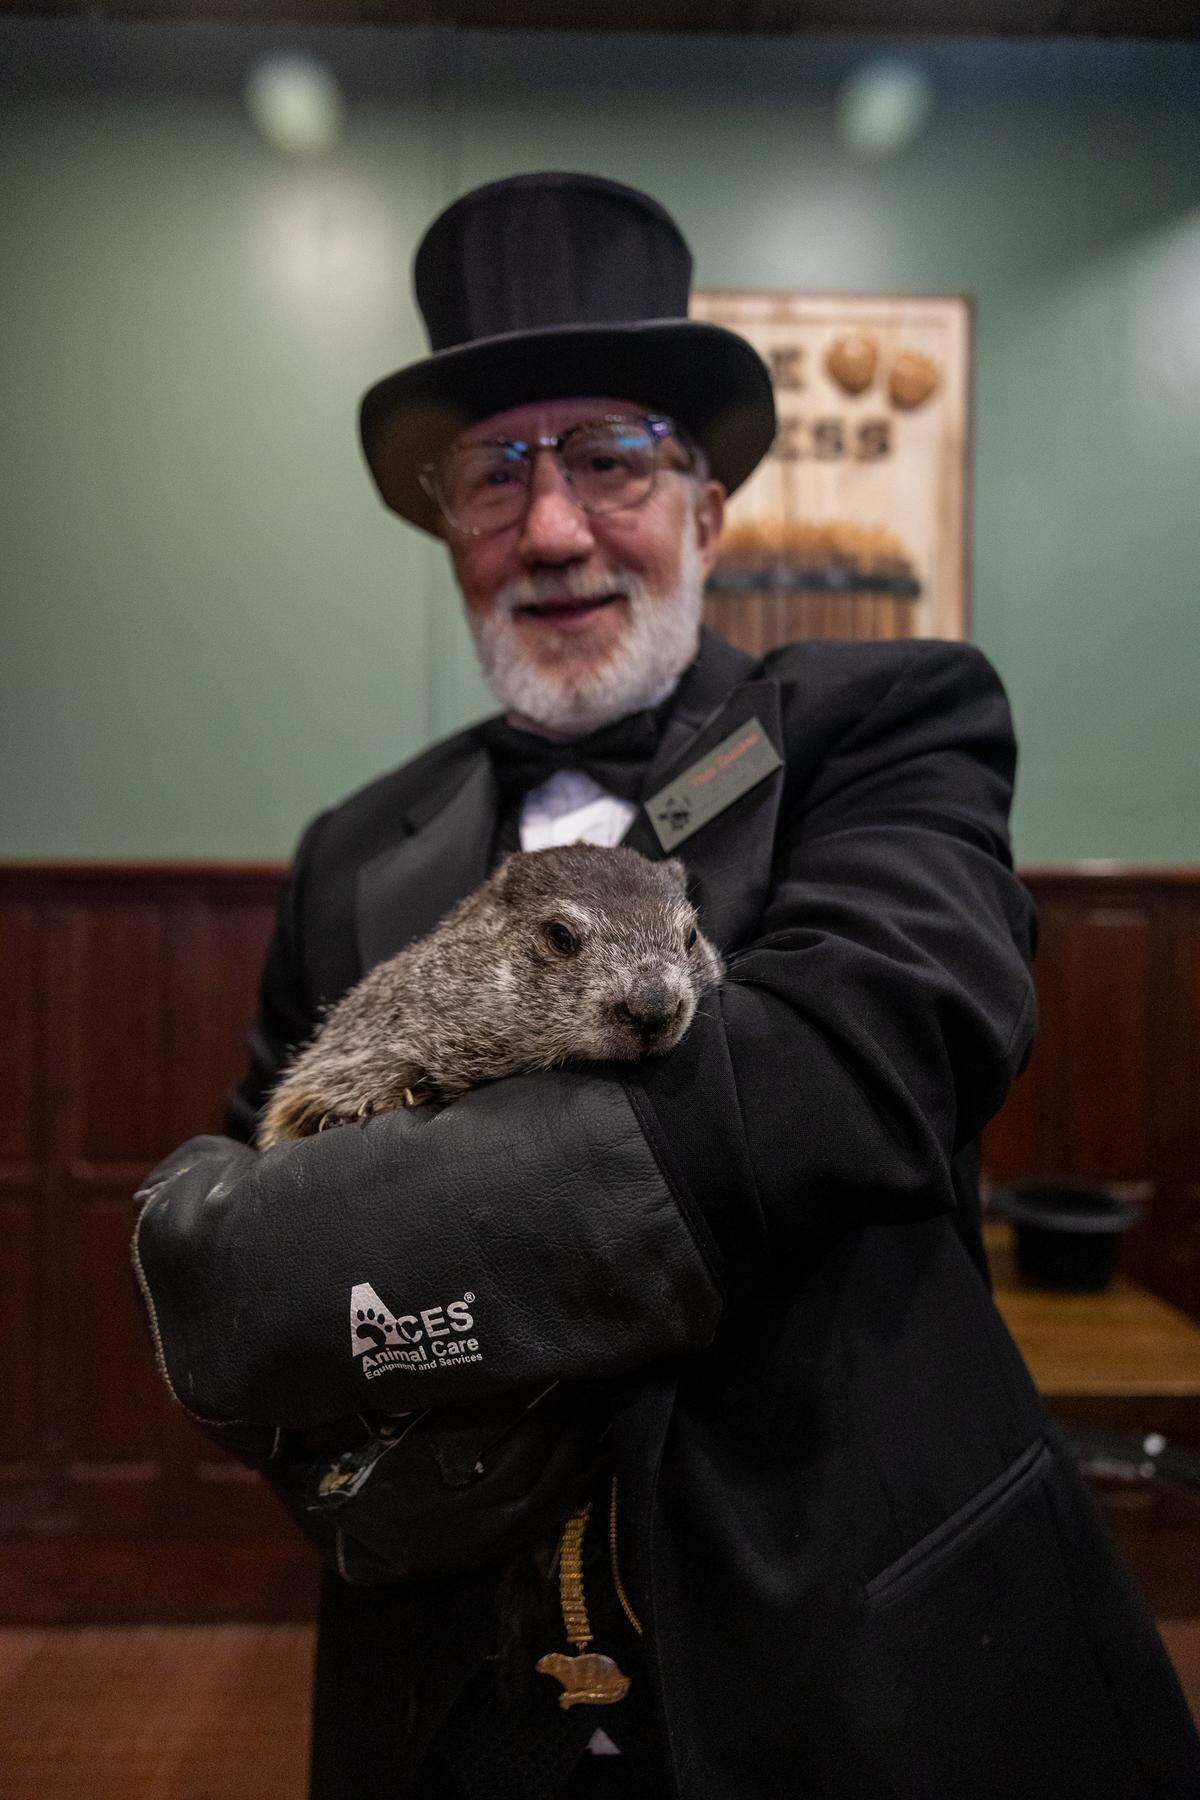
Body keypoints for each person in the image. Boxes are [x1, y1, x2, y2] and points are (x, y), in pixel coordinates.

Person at [131, 173, 1200, 1800]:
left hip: (850, 1660)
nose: (553, 530)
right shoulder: (353, 851)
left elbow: (862, 1062)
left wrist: (357, 1264)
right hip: (452, 1695)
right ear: (448, 528)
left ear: (707, 503)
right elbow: (241, 1272)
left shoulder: (882, 724)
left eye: (611, 457)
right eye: (498, 473)